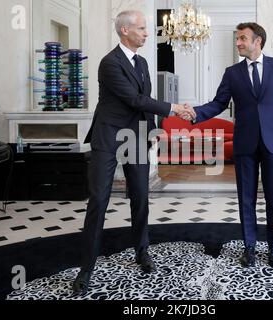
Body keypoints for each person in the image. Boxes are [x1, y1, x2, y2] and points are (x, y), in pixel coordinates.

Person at [73, 10, 195, 294]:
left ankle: (141, 252)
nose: (146, 33)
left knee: (140, 196)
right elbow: (133, 98)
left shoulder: (142, 62)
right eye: (141, 28)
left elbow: (143, 104)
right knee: (99, 200)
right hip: (108, 135)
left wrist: (152, 132)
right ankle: (86, 269)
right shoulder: (109, 63)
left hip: (137, 137)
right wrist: (174, 108)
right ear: (125, 31)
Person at [185, 22, 273, 268]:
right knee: (246, 199)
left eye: (243, 38)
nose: (238, 43)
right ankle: (249, 248)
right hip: (245, 142)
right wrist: (195, 113)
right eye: (237, 39)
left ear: (258, 41)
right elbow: (218, 103)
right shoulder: (232, 73)